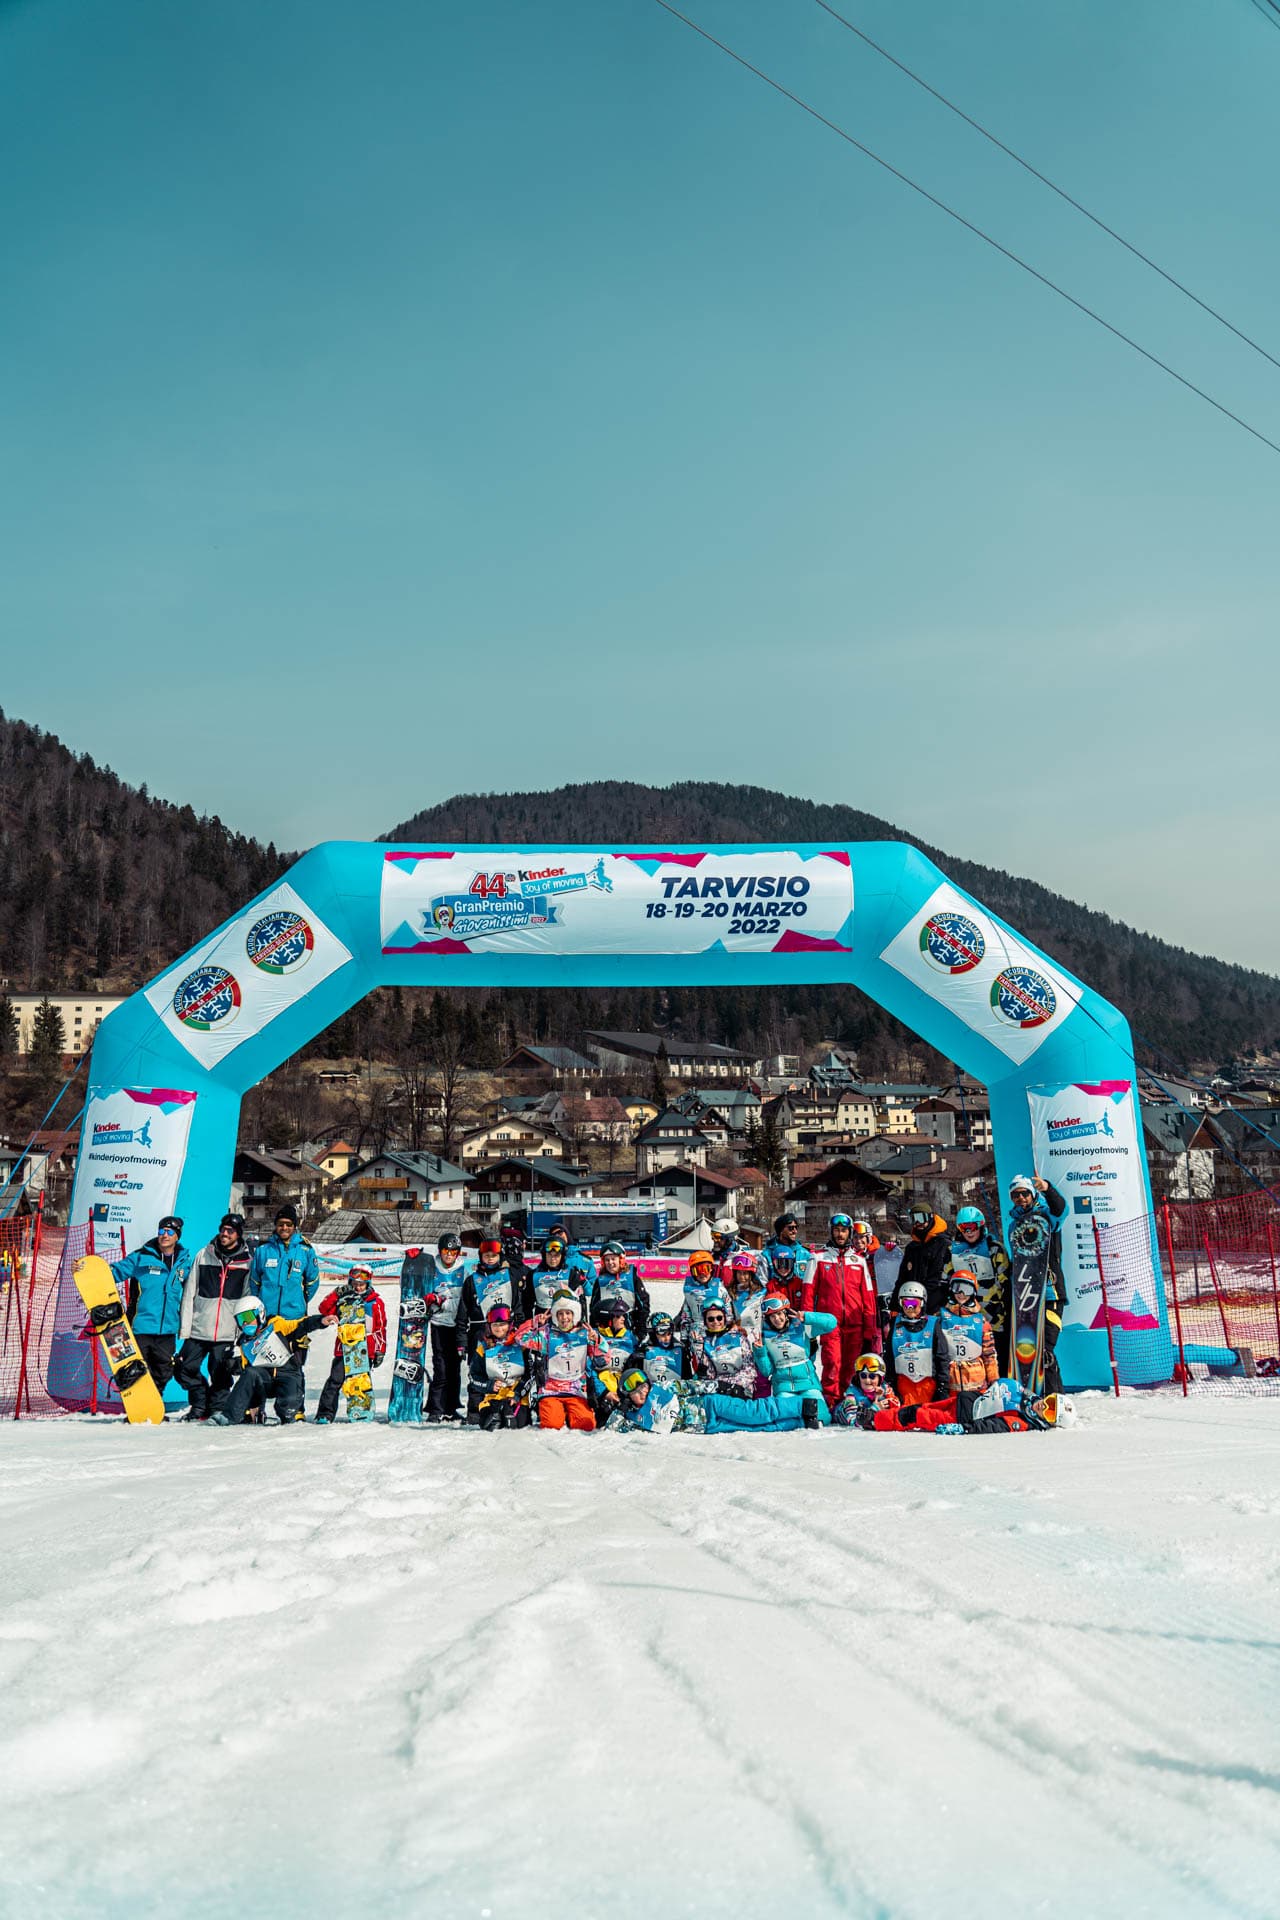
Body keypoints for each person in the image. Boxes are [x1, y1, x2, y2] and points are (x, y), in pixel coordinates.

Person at [175, 1213, 255, 1420]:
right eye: (223, 1229)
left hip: (227, 1330)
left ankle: (217, 1409)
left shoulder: (247, 1262)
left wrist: (242, 1331)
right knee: (184, 1368)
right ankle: (199, 1405)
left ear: (238, 1234)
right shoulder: (204, 1254)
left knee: (221, 1373)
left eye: (230, 1231)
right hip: (199, 1326)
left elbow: (247, 1299)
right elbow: (190, 1291)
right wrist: (186, 1327)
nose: (225, 1234)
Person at [211, 1296, 334, 1426]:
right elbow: (245, 1367)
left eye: (248, 1317)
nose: (245, 1323)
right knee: (250, 1373)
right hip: (265, 1380)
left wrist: (320, 1321)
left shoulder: (276, 1325)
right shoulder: (245, 1342)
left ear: (260, 1313)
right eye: (240, 1320)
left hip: (288, 1375)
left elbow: (301, 1324)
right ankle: (229, 1417)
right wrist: (230, 1364)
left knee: (288, 1413)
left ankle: (290, 1413)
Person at [249, 1203, 320, 1415]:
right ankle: (257, 1410)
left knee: (295, 1365)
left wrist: (299, 1302)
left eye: (289, 1224)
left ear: (294, 1226)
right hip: (268, 1320)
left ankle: (295, 1409)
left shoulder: (305, 1250)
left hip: (294, 1319)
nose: (284, 1228)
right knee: (262, 1364)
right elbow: (254, 1282)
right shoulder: (263, 1251)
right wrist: (261, 1305)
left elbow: (313, 1282)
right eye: (281, 1224)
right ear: (276, 1226)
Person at [110, 1214, 193, 1394]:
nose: (164, 1235)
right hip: (141, 1327)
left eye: (169, 1232)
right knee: (134, 1370)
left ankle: (153, 1403)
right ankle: (135, 1403)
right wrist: (88, 1269)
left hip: (167, 1329)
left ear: (177, 1236)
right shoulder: (141, 1257)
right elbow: (115, 1272)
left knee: (163, 1371)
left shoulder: (185, 1262)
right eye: (162, 1231)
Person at [1008, 1173, 1069, 1395]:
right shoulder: (1014, 1226)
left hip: (1051, 1294)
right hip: (1027, 1297)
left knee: (1046, 1352)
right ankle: (1034, 1398)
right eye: (1016, 1195)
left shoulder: (1047, 1216)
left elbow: (1061, 1210)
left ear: (1033, 1194)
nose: (1021, 1198)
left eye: (1025, 1193)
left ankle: (1056, 1399)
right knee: (1029, 1353)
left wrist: (1047, 1188)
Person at [399, 1232, 469, 1423]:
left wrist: (442, 1301)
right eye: (446, 1251)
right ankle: (436, 1408)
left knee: (455, 1369)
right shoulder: (432, 1266)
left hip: (458, 1325)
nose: (449, 1255)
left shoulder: (464, 1271)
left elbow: (464, 1301)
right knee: (441, 1367)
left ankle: (451, 1407)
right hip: (439, 1324)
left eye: (453, 1252)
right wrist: (414, 1260)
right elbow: (417, 1286)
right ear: (440, 1251)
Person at [812, 1213, 880, 1408]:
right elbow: (809, 1292)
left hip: (855, 1322)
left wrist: (869, 1327)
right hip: (829, 1322)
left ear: (849, 1233)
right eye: (836, 1230)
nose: (840, 1234)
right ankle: (830, 1401)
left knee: (851, 1365)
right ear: (831, 1232)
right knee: (832, 1362)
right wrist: (809, 1323)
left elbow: (868, 1296)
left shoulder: (858, 1260)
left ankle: (846, 1401)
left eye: (843, 1231)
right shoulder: (818, 1258)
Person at [314, 1267, 389, 1423]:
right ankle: (325, 1414)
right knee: (335, 1380)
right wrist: (336, 1293)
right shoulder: (343, 1300)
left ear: (368, 1284)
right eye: (355, 1284)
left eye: (362, 1284)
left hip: (364, 1349)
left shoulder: (375, 1302)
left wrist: (380, 1350)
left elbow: (380, 1328)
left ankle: (362, 1411)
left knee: (361, 1382)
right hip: (344, 1348)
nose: (358, 1287)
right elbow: (324, 1309)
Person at [519, 1290, 598, 1430]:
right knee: (552, 1425)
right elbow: (520, 1338)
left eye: (568, 1313)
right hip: (551, 1390)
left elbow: (604, 1358)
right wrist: (535, 1322)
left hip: (576, 1389)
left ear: (574, 1314)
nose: (564, 1318)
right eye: (560, 1313)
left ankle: (569, 1413)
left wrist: (596, 1341)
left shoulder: (585, 1333)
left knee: (586, 1425)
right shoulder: (546, 1334)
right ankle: (558, 1412)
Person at [754, 1292, 835, 1424]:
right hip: (784, 1387)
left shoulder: (802, 1326)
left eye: (779, 1314)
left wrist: (807, 1316)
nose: (777, 1319)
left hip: (808, 1384)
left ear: (786, 1313)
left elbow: (831, 1323)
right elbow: (767, 1371)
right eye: (772, 1316)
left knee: (821, 1417)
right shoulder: (764, 1336)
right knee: (785, 1419)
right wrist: (760, 1352)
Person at [948, 1206, 1011, 1369]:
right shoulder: (953, 1252)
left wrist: (1008, 1311)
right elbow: (946, 1281)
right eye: (964, 1228)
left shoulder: (994, 1249)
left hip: (993, 1316)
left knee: (997, 1360)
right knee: (972, 1362)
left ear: (981, 1226)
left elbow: (1006, 1281)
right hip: (965, 1317)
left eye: (972, 1227)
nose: (969, 1232)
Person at [459, 1238, 531, 1359]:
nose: (490, 1259)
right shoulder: (471, 1281)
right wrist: (462, 1341)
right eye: (486, 1256)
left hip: (506, 1335)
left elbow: (518, 1309)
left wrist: (519, 1332)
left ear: (500, 1256)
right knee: (479, 1369)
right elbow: (463, 1313)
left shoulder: (509, 1277)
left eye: (494, 1255)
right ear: (481, 1257)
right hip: (479, 1336)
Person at [466, 1303, 532, 1429]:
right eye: (495, 1325)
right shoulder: (484, 1348)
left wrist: (517, 1394)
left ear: (510, 1324)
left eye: (503, 1324)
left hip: (515, 1395)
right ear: (489, 1326)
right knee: (491, 1424)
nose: (499, 1328)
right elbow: (473, 1376)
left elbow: (530, 1374)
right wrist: (488, 1385)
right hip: (493, 1396)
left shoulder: (521, 1345)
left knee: (515, 1424)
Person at [885, 1279, 948, 1409]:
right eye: (906, 1303)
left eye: (914, 1303)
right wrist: (890, 1384)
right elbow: (889, 1357)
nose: (910, 1308)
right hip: (904, 1386)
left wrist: (942, 1388)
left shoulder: (933, 1324)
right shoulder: (895, 1325)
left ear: (922, 1303)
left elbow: (942, 1358)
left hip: (928, 1385)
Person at [937, 1271, 999, 1395]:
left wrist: (994, 1381)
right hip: (950, 1384)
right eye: (957, 1288)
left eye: (967, 1289)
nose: (961, 1294)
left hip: (976, 1385)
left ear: (973, 1292)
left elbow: (989, 1355)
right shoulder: (940, 1317)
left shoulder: (981, 1321)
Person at [694, 1291, 761, 1399]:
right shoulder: (705, 1343)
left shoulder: (738, 1338)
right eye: (711, 1319)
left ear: (725, 1318)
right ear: (705, 1321)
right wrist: (699, 1353)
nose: (715, 1322)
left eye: (719, 1318)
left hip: (741, 1388)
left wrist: (734, 1385)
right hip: (719, 1389)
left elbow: (749, 1368)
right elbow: (710, 1374)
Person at [891, 1202, 952, 1314]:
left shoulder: (943, 1244)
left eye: (921, 1218)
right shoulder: (912, 1247)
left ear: (930, 1217)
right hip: (913, 1306)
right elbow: (902, 1278)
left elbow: (937, 1278)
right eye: (914, 1219)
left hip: (936, 1306)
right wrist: (894, 1307)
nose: (918, 1223)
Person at [591, 1297, 639, 1418]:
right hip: (602, 1388)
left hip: (624, 1386)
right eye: (618, 1316)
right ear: (608, 1319)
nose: (623, 1319)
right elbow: (589, 1371)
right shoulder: (593, 1337)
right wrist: (603, 1392)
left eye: (623, 1315)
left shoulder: (629, 1337)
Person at [591, 1240, 650, 1338]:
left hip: (629, 1328)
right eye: (607, 1260)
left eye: (613, 1259)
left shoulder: (631, 1277)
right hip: (606, 1330)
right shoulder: (600, 1280)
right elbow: (594, 1308)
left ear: (621, 1260)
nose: (610, 1263)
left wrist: (641, 1328)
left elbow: (643, 1304)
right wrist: (594, 1329)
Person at [833, 1352, 901, 1429]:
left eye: (872, 1376)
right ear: (858, 1377)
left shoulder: (885, 1389)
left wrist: (881, 1398)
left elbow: (896, 1410)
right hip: (839, 1414)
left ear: (880, 1378)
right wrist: (875, 1408)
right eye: (863, 1376)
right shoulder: (851, 1394)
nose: (867, 1380)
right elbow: (854, 1422)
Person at [758, 1213, 814, 1301]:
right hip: (776, 1303)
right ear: (781, 1230)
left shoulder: (804, 1253)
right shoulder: (767, 1255)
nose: (795, 1231)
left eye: (796, 1227)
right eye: (791, 1228)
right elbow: (762, 1285)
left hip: (799, 1302)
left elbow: (811, 1282)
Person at [725, 1249, 769, 1341]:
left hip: (756, 1336)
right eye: (739, 1273)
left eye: (745, 1273)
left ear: (751, 1274)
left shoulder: (761, 1292)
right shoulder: (729, 1292)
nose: (742, 1277)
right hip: (737, 1336)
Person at [636, 1311, 687, 1386]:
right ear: (653, 1333)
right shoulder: (644, 1351)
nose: (667, 1338)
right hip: (651, 1392)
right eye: (662, 1333)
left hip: (674, 1391)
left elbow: (687, 1379)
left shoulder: (680, 1350)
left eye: (669, 1333)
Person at [681, 1248, 719, 1345]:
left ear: (711, 1269)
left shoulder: (720, 1289)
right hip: (697, 1333)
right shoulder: (690, 1292)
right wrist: (684, 1337)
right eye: (697, 1270)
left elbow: (728, 1311)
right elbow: (686, 1316)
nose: (702, 1274)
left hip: (717, 1329)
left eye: (706, 1269)